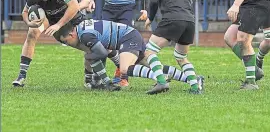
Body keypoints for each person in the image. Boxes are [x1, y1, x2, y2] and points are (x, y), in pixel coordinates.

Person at [56, 19, 203, 90]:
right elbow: (107, 51)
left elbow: (100, 52)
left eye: (66, 41)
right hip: (129, 35)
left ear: (71, 33)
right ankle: (193, 80)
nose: (68, 44)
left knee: (126, 69)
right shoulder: (83, 29)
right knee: (151, 65)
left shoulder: (85, 36)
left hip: (128, 38)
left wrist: (89, 58)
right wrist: (107, 81)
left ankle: (161, 80)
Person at [142, 0, 203, 95]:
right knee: (181, 56)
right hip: (189, 20)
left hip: (172, 18)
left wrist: (150, 17)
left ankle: (162, 82)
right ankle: (195, 87)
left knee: (149, 51)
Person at [12, 0, 84, 87]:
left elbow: (74, 7)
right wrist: (29, 23)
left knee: (88, 44)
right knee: (32, 33)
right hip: (53, 23)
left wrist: (58, 25)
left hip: (73, 19)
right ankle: (22, 75)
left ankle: (95, 76)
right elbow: (25, 12)